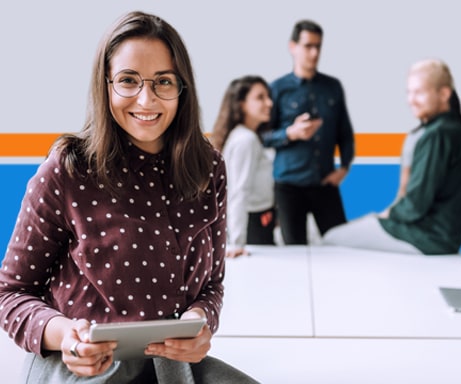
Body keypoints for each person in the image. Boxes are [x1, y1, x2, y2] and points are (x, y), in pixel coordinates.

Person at [0, 11, 259, 383]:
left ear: (182, 88)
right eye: (128, 81)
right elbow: (11, 293)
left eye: (163, 82)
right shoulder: (67, 171)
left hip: (170, 367)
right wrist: (65, 335)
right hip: (80, 366)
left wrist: (199, 323)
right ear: (105, 86)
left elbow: (211, 285)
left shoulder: (209, 168)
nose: (146, 98)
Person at [323, 59, 461, 255]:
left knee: (331, 239)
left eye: (419, 92)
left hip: (425, 236)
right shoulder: (456, 129)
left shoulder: (437, 134)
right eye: (409, 92)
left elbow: (415, 204)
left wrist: (389, 214)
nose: (411, 100)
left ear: (444, 94)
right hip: (447, 236)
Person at [262, 19, 355, 245]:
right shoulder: (277, 89)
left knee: (341, 245)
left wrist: (343, 168)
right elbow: (263, 137)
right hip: (288, 187)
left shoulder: (333, 87)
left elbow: (345, 133)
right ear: (292, 47)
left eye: (318, 46)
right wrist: (290, 134)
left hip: (325, 183)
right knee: (295, 251)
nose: (314, 53)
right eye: (308, 46)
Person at [210, 75, 276, 258]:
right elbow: (239, 191)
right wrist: (237, 242)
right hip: (252, 225)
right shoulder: (245, 140)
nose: (269, 103)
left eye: (268, 96)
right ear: (241, 104)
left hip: (258, 220)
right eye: (260, 97)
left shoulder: (246, 136)